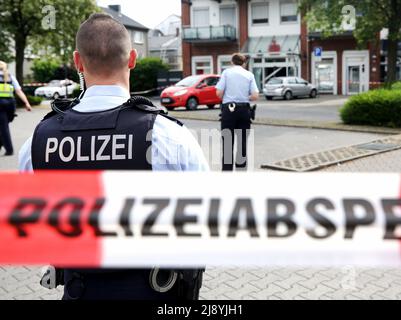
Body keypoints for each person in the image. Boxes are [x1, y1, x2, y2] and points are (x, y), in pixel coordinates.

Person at [19, 13, 209, 300]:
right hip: (154, 289)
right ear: (132, 58)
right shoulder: (168, 136)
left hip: (80, 288)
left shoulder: (37, 142)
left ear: (77, 62)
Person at [215, 53, 259, 171]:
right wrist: (244, 97)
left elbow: (218, 93)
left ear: (232, 62)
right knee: (242, 143)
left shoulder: (226, 73)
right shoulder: (249, 75)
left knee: (227, 143)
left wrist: (229, 96)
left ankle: (227, 173)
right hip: (244, 110)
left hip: (228, 111)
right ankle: (241, 173)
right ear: (243, 63)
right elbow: (255, 96)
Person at [0, 61, 32, 156]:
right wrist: (27, 103)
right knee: (3, 126)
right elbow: (18, 91)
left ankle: (9, 149)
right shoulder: (10, 76)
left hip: (0, 106)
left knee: (3, 127)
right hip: (10, 105)